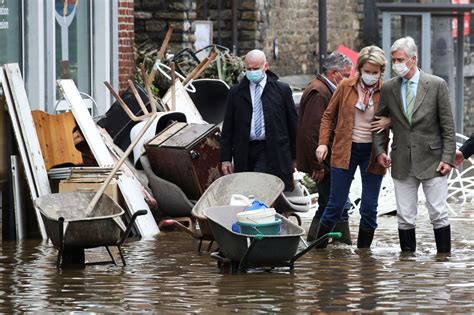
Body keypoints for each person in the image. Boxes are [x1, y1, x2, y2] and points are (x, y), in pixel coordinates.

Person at [373, 36, 456, 254]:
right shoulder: (389, 88)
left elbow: (447, 125)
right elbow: (379, 122)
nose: (396, 64)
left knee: (438, 213)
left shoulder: (436, 84)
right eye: (393, 60)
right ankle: (407, 268)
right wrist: (380, 150)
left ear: (413, 59)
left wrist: (448, 158)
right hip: (401, 160)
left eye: (400, 59)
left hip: (433, 160)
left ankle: (443, 261)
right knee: (405, 216)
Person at [314, 45, 389, 249]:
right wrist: (322, 143)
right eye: (367, 71)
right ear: (360, 69)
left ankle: (364, 256)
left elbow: (400, 117)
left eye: (375, 72)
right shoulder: (345, 86)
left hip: (373, 154)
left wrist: (387, 122)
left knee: (369, 208)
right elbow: (328, 116)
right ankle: (318, 251)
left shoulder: (388, 90)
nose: (370, 76)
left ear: (381, 72)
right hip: (344, 149)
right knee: (335, 204)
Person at [296, 52, 354, 243]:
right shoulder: (319, 92)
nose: (348, 79)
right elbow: (312, 132)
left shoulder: (324, 89)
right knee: (338, 205)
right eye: (345, 75)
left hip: (329, 159)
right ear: (333, 73)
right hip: (326, 161)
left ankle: (316, 243)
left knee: (327, 203)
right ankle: (342, 246)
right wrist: (318, 165)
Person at [220, 49, 297, 191]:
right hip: (245, 150)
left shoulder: (281, 90)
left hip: (272, 148)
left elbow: (292, 125)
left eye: (255, 68)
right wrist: (225, 158)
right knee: (247, 189)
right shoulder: (236, 92)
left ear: (265, 67)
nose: (252, 72)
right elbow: (228, 128)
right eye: (248, 68)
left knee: (263, 186)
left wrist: (295, 156)